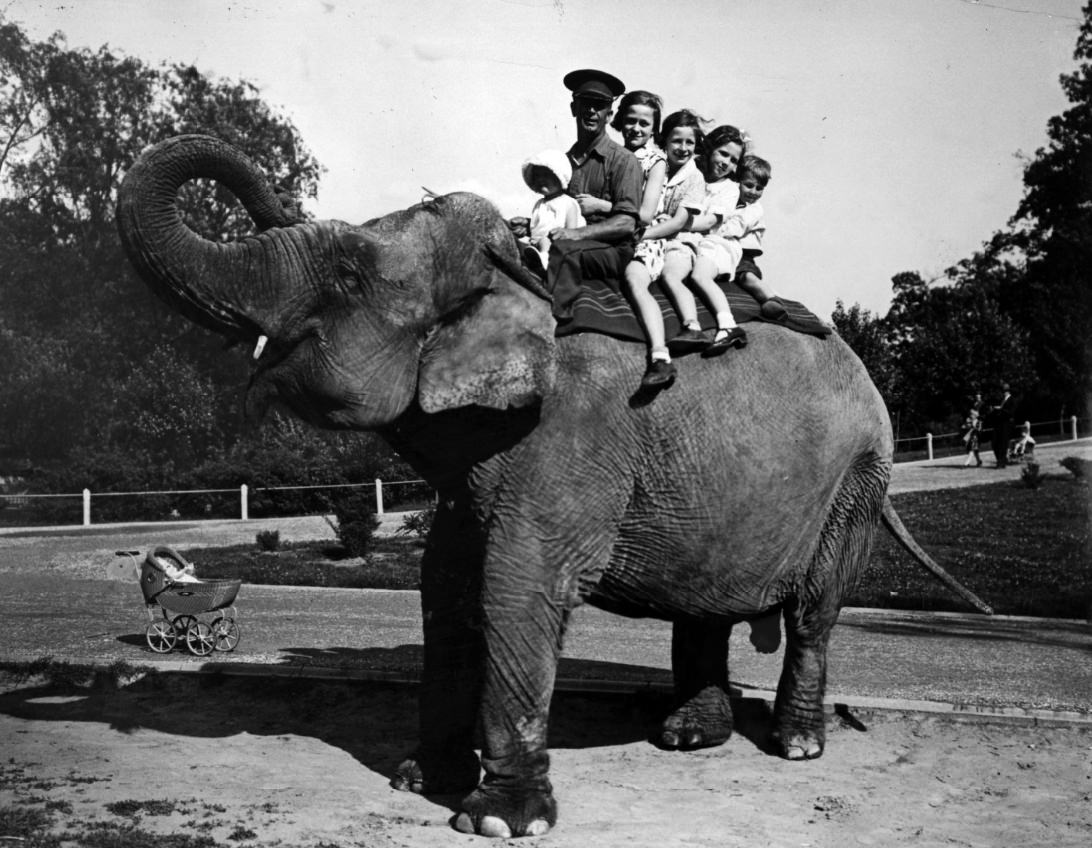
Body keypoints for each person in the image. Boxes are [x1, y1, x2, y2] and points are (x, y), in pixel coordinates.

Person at [543, 69, 643, 321]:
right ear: (573, 108)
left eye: (599, 106)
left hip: (613, 250)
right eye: (586, 104)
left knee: (565, 251)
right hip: (575, 241)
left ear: (609, 115)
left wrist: (576, 234)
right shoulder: (564, 162)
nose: (591, 111)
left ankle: (557, 318)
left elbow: (627, 223)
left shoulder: (625, 161)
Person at [621, 110, 709, 389]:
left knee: (635, 280)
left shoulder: (694, 178)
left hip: (666, 239)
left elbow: (679, 222)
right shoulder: (652, 163)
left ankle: (660, 355)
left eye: (689, 143)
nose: (683, 149)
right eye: (676, 141)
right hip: (648, 231)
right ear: (664, 141)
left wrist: (639, 233)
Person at [660, 124, 750, 356]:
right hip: (687, 234)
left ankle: (727, 324)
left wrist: (674, 221)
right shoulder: (692, 172)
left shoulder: (729, 189)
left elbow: (710, 222)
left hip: (714, 241)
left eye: (733, 160)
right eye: (722, 153)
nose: (726, 163)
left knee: (700, 274)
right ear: (710, 150)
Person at [519, 149, 585, 277]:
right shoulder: (539, 204)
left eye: (546, 175)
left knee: (545, 242)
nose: (541, 179)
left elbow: (572, 230)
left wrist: (554, 239)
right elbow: (536, 226)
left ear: (559, 177)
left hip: (557, 244)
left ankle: (544, 259)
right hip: (537, 242)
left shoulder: (567, 203)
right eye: (537, 176)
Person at [990, 383, 1015, 468]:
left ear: (1008, 391)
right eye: (1003, 391)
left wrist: (1001, 409)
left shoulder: (1012, 400)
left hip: (1006, 425)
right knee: (994, 443)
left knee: (1003, 444)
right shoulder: (1002, 400)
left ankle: (1001, 463)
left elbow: (1011, 413)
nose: (1004, 393)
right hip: (999, 424)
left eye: (1005, 391)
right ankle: (1000, 460)